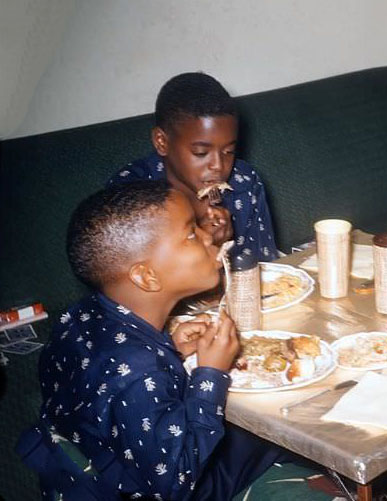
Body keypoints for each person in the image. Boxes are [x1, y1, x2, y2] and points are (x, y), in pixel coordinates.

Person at [16, 181, 284, 500]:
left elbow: (98, 383)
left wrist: (169, 346)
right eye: (191, 233)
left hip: (97, 464)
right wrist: (210, 374)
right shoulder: (140, 372)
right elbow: (175, 481)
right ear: (147, 276)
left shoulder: (80, 315)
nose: (209, 236)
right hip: (157, 487)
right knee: (273, 434)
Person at [108, 72, 278, 261]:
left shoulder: (243, 183)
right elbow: (133, 286)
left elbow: (265, 270)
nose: (218, 166)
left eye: (228, 151)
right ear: (162, 142)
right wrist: (206, 249)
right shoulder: (129, 199)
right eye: (200, 153)